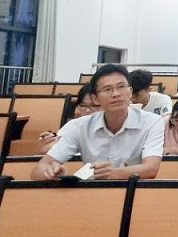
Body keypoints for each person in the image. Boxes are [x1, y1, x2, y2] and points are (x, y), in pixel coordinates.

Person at [31, 64, 164, 180]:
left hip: (133, 192)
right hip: (92, 194)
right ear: (96, 99)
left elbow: (151, 168)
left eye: (121, 87)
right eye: (107, 89)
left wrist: (113, 173)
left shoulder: (152, 122)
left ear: (130, 91)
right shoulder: (79, 126)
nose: (116, 94)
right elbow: (38, 170)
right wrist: (49, 172)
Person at [39, 83, 100, 154]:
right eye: (83, 106)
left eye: (94, 106)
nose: (87, 110)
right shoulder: (73, 125)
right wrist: (48, 142)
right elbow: (46, 151)